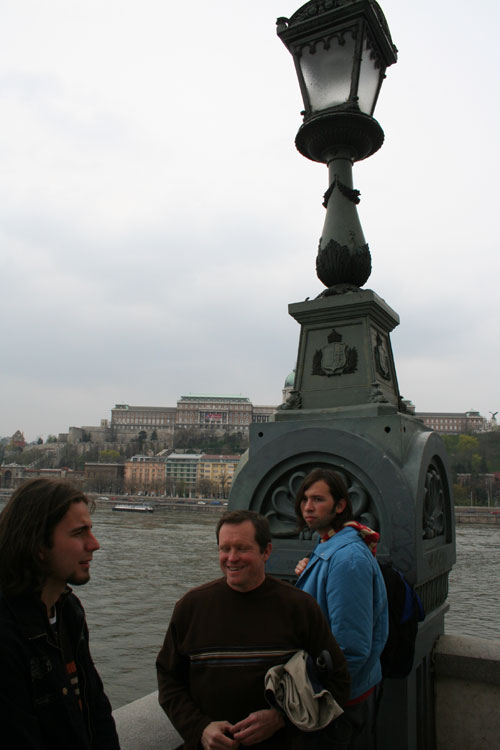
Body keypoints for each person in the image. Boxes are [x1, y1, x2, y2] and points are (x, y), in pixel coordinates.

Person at [156, 509, 350, 750]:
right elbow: (168, 679)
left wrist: (281, 718)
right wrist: (199, 728)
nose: (231, 558)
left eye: (242, 548)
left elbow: (337, 679)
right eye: (224, 548)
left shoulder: (299, 608)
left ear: (266, 551)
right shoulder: (190, 607)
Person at [0, 478, 120, 750]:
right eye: (79, 533)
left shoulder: (69, 611)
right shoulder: (7, 632)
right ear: (38, 545)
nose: (95, 544)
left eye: (91, 530)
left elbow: (96, 709)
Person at [294, 469, 388, 750]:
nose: (308, 507)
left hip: (339, 705)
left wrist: (314, 697)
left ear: (340, 505)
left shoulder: (347, 559)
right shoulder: (330, 544)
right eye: (305, 499)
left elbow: (351, 648)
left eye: (318, 499)